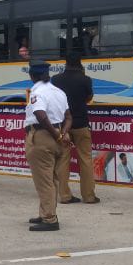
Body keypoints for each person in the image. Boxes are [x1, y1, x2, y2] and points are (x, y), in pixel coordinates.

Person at [24, 60, 72, 231]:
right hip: (57, 137)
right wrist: (63, 133)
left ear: (32, 76)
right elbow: (68, 117)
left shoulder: (38, 92)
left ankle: (50, 219)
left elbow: (40, 115)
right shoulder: (59, 92)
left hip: (43, 137)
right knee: (52, 179)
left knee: (44, 181)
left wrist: (56, 135)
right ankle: (46, 212)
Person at [52, 53, 100, 204]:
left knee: (63, 160)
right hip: (81, 125)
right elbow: (89, 98)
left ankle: (65, 196)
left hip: (63, 126)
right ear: (80, 64)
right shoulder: (85, 79)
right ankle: (89, 196)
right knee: (85, 159)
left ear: (65, 64)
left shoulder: (56, 79)